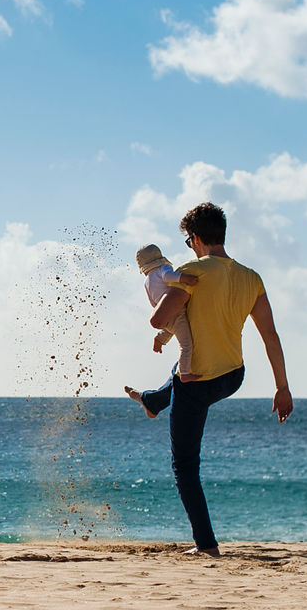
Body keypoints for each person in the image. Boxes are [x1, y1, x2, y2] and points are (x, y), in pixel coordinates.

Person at [136, 202, 293, 557]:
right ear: (221, 234)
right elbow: (270, 335)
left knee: (185, 465)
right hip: (232, 376)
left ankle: (206, 545)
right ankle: (153, 400)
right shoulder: (251, 277)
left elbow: (160, 319)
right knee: (178, 377)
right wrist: (282, 387)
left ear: (194, 239)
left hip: (197, 383)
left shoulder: (193, 270)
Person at [123, 244, 195, 419]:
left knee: (174, 330)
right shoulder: (163, 268)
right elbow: (170, 276)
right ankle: (185, 374)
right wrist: (186, 278)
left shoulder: (147, 281)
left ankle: (161, 338)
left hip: (165, 318)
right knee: (186, 345)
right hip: (175, 312)